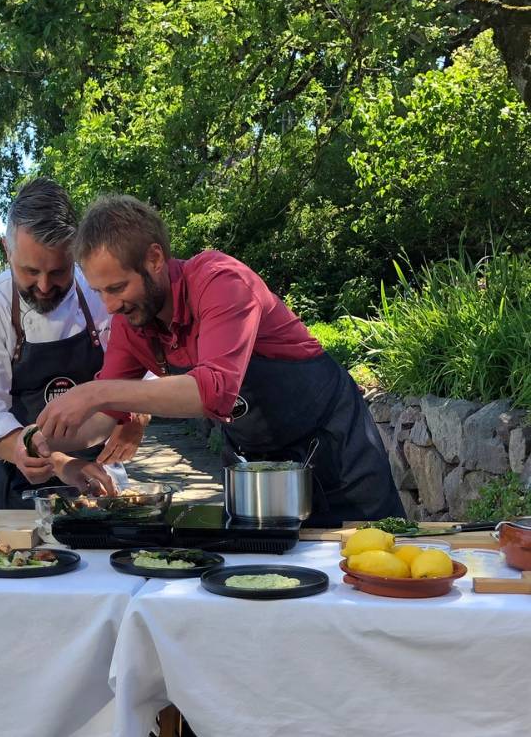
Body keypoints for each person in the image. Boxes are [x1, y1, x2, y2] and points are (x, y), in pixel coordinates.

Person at [32, 193, 405, 527]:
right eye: (99, 292)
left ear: (155, 258)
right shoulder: (132, 324)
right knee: (259, 571)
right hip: (254, 467)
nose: (110, 305)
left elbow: (214, 392)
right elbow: (104, 417)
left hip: (336, 449)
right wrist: (40, 439)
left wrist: (96, 392)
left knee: (375, 564)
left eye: (117, 288)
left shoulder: (220, 281)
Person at [0, 179, 147, 509]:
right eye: (30, 271)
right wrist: (46, 457)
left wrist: (136, 416)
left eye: (58, 272)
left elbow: (142, 363)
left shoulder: (101, 292)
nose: (43, 286)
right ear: (7, 250)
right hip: (8, 480)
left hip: (99, 476)